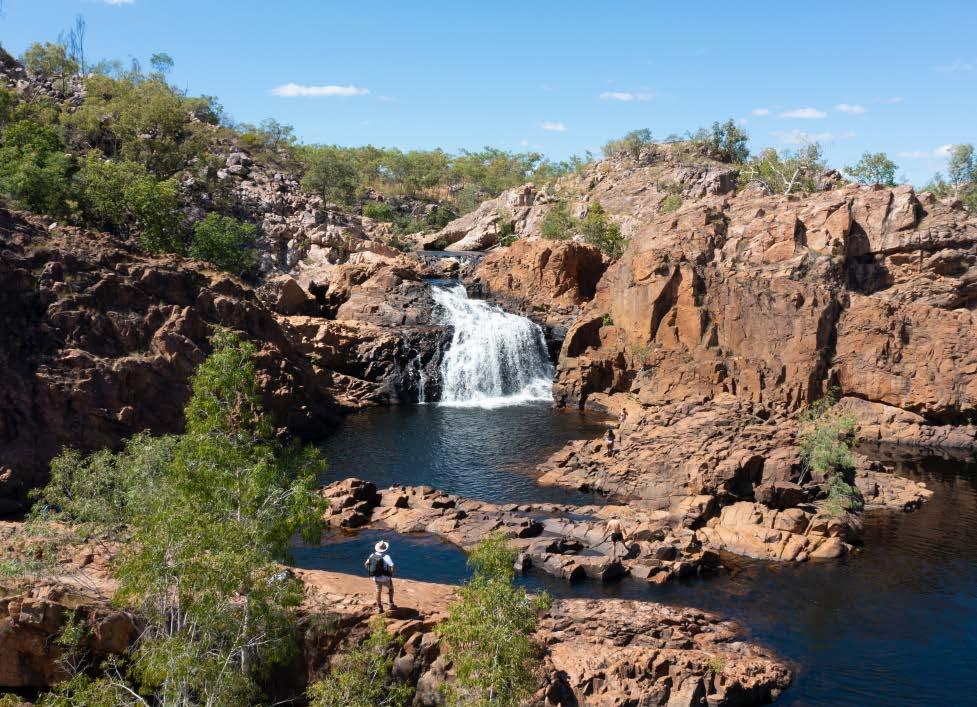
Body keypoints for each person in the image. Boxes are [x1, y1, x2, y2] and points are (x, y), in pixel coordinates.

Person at [365, 540, 396, 612]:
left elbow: (366, 564)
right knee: (391, 589)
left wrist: (371, 572)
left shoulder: (372, 555)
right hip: (386, 577)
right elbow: (392, 566)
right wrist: (392, 574)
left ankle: (379, 607)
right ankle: (391, 604)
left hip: (377, 577)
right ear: (385, 549)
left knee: (378, 592)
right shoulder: (386, 556)